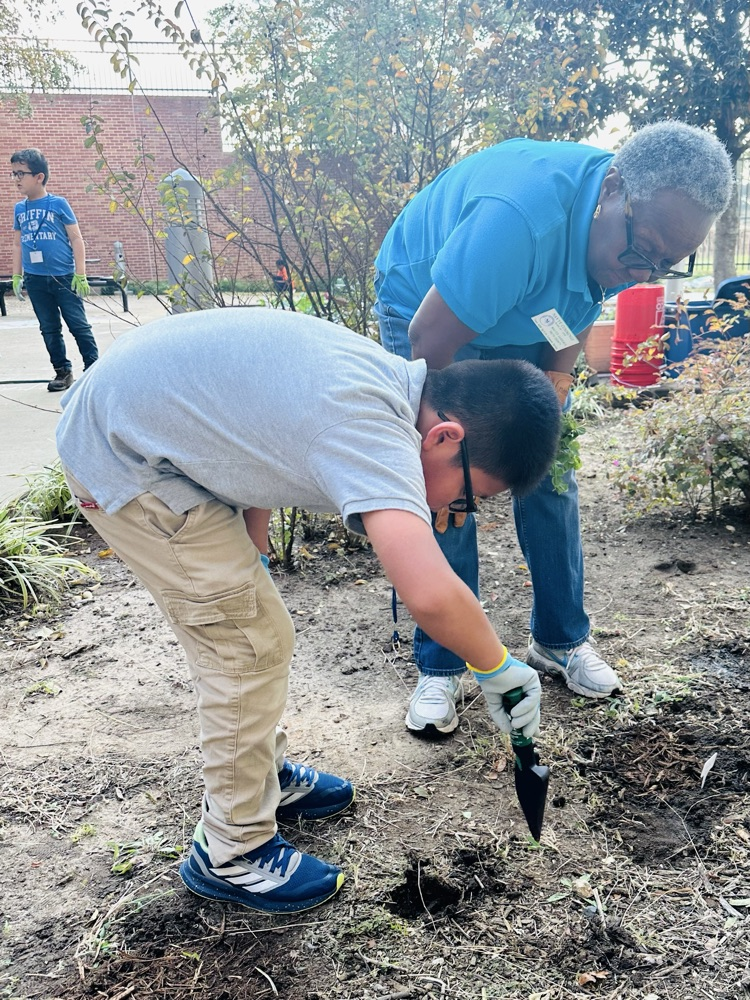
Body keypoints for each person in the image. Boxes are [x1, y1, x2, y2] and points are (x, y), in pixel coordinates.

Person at [56, 307, 561, 914]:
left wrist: (253, 539)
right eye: (468, 495)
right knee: (245, 645)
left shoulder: (390, 385)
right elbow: (428, 593)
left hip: (143, 424)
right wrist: (499, 668)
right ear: (445, 437)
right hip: (122, 456)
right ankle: (231, 850)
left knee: (253, 628)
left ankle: (259, 779)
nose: (457, 509)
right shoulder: (373, 431)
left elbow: (260, 433)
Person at [374, 121, 734, 737]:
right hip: (431, 311)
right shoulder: (521, 220)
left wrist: (554, 401)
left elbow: (565, 323)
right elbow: (429, 340)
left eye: (667, 265)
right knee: (449, 485)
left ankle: (560, 639)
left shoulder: (617, 237)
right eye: (643, 252)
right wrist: (459, 443)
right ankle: (443, 663)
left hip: (519, 315)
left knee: (552, 472)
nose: (645, 275)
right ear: (613, 190)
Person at [10, 147, 98, 392]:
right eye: (13, 174)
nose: (16, 179)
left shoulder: (58, 203)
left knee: (78, 325)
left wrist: (80, 274)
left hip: (64, 278)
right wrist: (17, 274)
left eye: (21, 174)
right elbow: (17, 244)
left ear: (39, 177)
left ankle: (94, 368)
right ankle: (62, 371)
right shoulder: (19, 209)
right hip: (36, 280)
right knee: (49, 328)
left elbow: (76, 239)